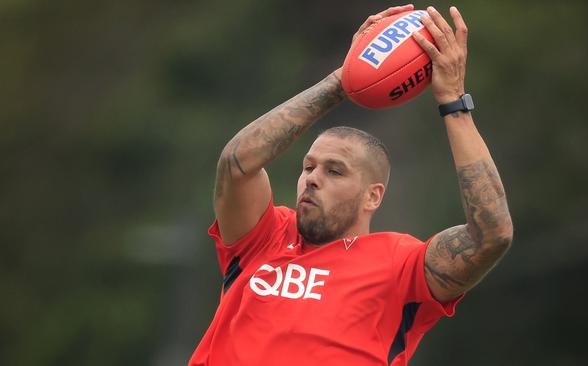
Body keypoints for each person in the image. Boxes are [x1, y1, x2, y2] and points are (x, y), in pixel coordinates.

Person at [189, 4, 513, 366]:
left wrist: (453, 103)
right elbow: (237, 164)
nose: (312, 178)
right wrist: (342, 81)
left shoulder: (400, 266)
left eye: (334, 171)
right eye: (308, 166)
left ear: (373, 196)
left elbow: (491, 235)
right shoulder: (264, 237)